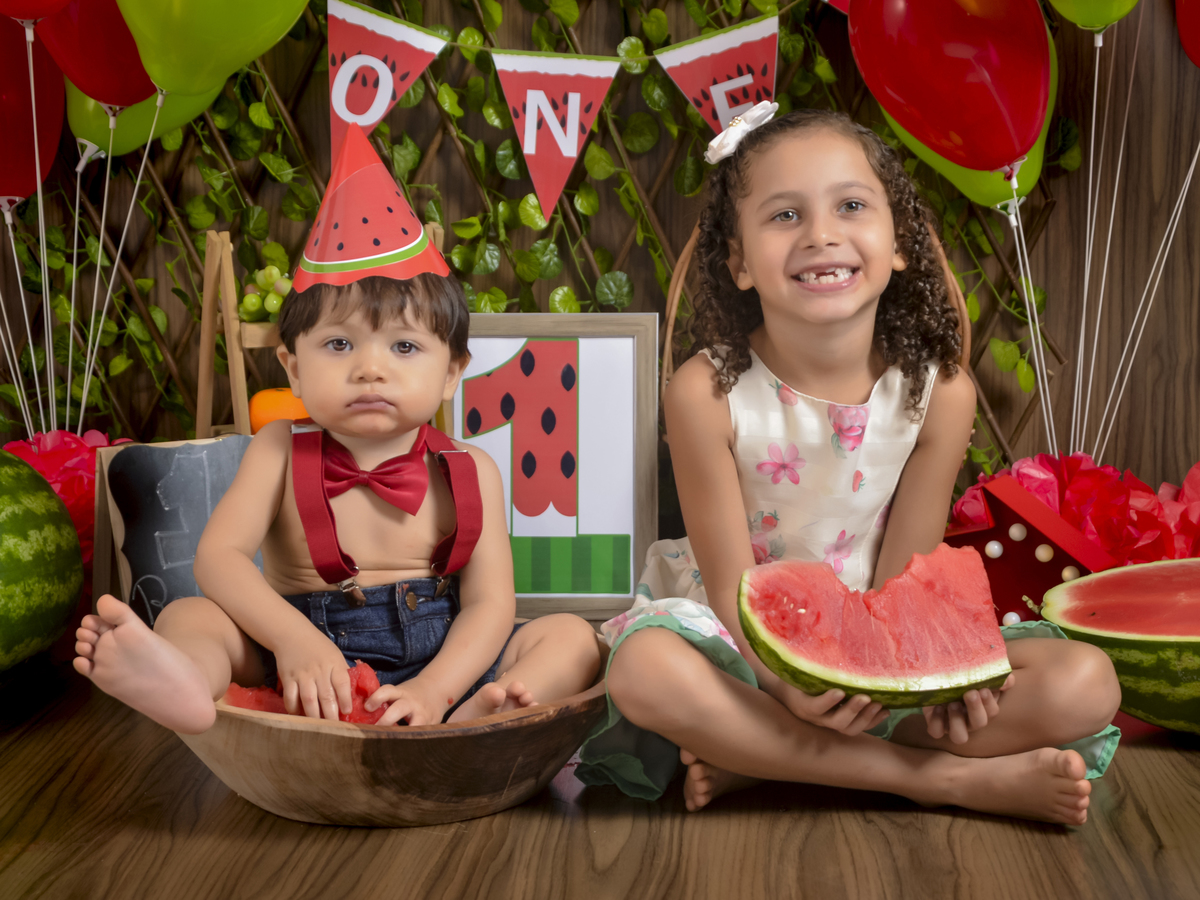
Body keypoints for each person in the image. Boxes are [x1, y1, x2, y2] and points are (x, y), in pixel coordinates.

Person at [576, 105, 1121, 826]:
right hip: (739, 650)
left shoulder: (938, 392)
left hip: (878, 649)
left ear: (898, 242)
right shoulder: (704, 393)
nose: (821, 234)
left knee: (1086, 683)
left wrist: (944, 675)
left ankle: (765, 762)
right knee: (644, 670)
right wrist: (781, 682)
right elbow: (733, 587)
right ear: (738, 261)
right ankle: (931, 781)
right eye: (784, 216)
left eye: (852, 206)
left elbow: (907, 579)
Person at [73, 125, 601, 735]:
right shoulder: (279, 448)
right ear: (293, 368)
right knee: (192, 613)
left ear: (453, 373)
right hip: (297, 660)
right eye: (340, 343)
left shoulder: (470, 468)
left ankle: (486, 710)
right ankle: (186, 680)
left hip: (444, 664)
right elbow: (219, 559)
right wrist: (295, 640)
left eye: (404, 345)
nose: (369, 367)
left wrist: (437, 685)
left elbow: (488, 605)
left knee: (571, 637)